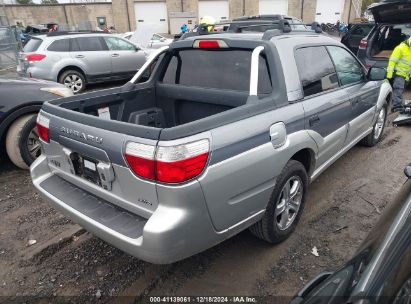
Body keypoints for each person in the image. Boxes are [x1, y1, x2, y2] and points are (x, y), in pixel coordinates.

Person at [387, 37, 411, 112]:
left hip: (407, 75)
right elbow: (392, 61)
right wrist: (389, 74)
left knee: (401, 90)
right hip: (399, 74)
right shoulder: (400, 48)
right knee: (398, 89)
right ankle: (397, 106)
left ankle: (400, 104)